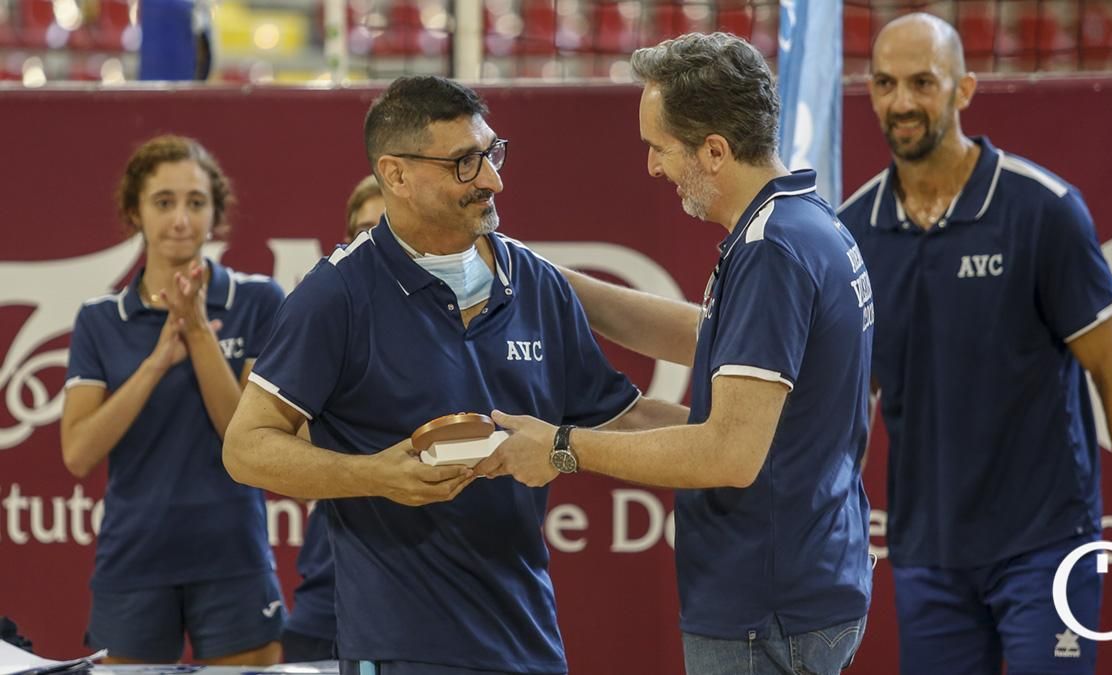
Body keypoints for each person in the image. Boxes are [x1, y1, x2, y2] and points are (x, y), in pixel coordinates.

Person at [223, 75, 678, 674]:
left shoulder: (537, 282)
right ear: (397, 174)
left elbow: (624, 417)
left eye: (491, 153)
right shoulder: (336, 295)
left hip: (529, 640)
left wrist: (748, 435)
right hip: (399, 647)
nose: (492, 179)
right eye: (464, 163)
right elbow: (245, 448)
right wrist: (375, 476)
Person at [479, 33, 873, 675]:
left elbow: (728, 452)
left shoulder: (771, 251)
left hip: (764, 603)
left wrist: (561, 448)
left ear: (714, 151)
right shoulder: (803, 221)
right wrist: (548, 279)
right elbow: (706, 334)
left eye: (659, 148)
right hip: (808, 578)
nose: (652, 168)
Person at [835, 13, 1112, 674]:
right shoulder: (849, 231)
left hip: (1047, 547)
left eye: (923, 82)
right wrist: (826, 519)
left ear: (964, 89)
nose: (902, 102)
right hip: (927, 556)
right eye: (885, 83)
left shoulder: (1043, 210)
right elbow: (848, 401)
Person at [61, 135, 286, 664]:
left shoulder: (258, 301)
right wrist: (157, 362)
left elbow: (245, 438)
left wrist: (197, 332)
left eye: (196, 202)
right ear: (134, 211)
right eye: (164, 202)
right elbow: (78, 453)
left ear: (216, 214)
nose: (181, 219)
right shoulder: (100, 319)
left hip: (234, 557)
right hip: (133, 562)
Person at [281, 176, 384, 663]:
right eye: (364, 230)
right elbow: (274, 453)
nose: (377, 242)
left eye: (388, 227)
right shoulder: (327, 317)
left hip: (418, 599)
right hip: (329, 587)